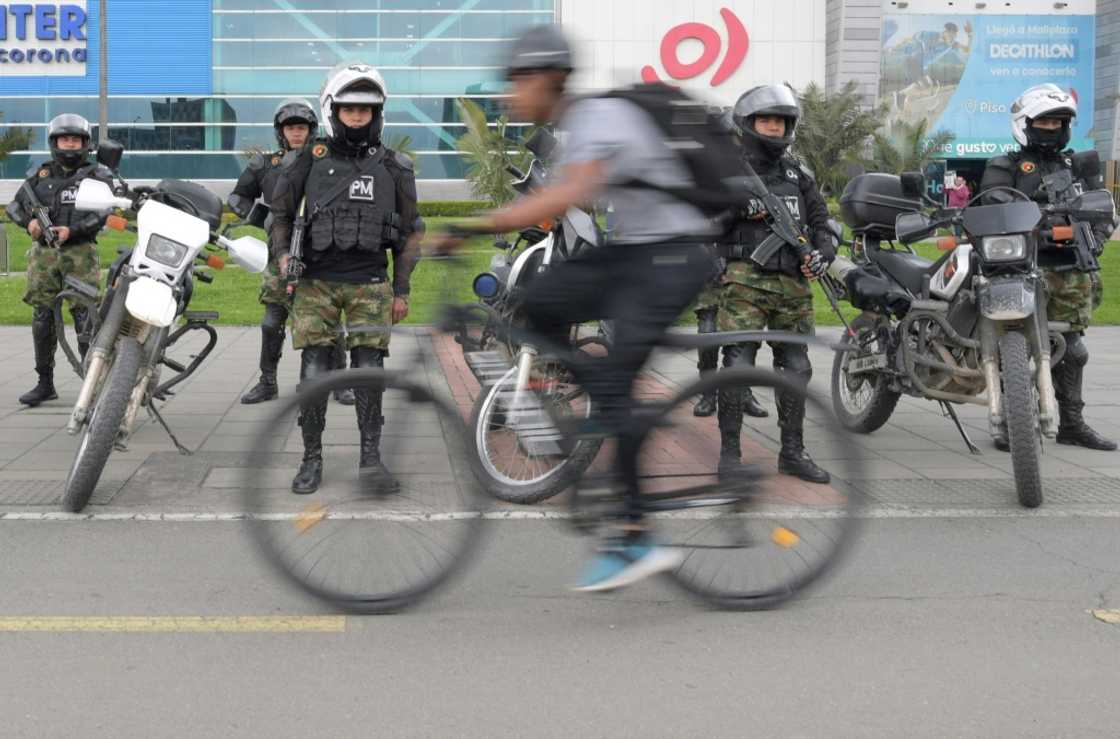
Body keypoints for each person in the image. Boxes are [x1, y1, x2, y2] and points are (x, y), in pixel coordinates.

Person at [434, 25, 725, 592]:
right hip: (636, 250)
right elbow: (569, 199)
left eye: (517, 81)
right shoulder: (574, 125)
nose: (509, 95)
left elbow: (563, 197)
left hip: (675, 255)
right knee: (539, 298)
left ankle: (634, 535)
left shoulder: (597, 119)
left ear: (548, 78)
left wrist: (473, 224)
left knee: (617, 382)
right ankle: (585, 391)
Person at [270, 62, 422, 494]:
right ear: (333, 110)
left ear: (377, 114)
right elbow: (281, 216)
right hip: (316, 282)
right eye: (350, 109)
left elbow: (412, 231)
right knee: (315, 372)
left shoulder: (395, 166)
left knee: (370, 372)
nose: (358, 117)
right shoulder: (305, 161)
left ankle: (371, 461)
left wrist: (403, 288)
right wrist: (283, 257)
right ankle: (310, 459)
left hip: (371, 284)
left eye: (366, 110)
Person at [980, 83, 1115, 452]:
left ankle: (1072, 424)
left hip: (1070, 268)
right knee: (1016, 345)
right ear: (1025, 124)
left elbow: (1103, 207)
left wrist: (1099, 234)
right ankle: (1012, 421)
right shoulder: (1003, 165)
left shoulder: (1080, 164)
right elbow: (992, 206)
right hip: (1020, 266)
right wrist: (1038, 225)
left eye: (1058, 123)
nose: (1051, 128)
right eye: (1045, 122)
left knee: (1073, 350)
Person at [713, 85, 834, 484]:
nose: (774, 128)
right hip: (744, 283)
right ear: (748, 124)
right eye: (766, 120)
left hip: (794, 287)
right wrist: (736, 208)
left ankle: (792, 453)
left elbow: (823, 223)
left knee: (796, 369)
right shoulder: (728, 172)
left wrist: (824, 253)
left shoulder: (800, 175)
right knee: (737, 367)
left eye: (780, 121)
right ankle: (730, 456)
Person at [229, 98, 354, 407]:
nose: (296, 134)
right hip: (280, 256)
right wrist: (264, 219)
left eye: (302, 128)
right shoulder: (265, 164)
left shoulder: (326, 161)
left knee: (329, 324)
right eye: (290, 128)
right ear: (280, 132)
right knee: (272, 322)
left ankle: (340, 383)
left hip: (320, 255)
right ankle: (267, 382)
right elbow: (237, 197)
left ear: (311, 130)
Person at [6, 114, 112, 406]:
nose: (69, 144)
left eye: (75, 139)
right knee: (42, 318)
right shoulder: (40, 176)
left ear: (84, 144)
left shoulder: (96, 176)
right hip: (43, 257)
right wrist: (28, 222)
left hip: (79, 254)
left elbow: (103, 213)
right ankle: (44, 382)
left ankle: (92, 384)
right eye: (64, 139)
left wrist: (73, 230)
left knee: (85, 318)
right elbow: (14, 206)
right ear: (55, 142)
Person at [692, 277, 767, 419]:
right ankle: (708, 394)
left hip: (743, 277)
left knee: (746, 334)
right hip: (711, 278)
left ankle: (742, 391)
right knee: (707, 333)